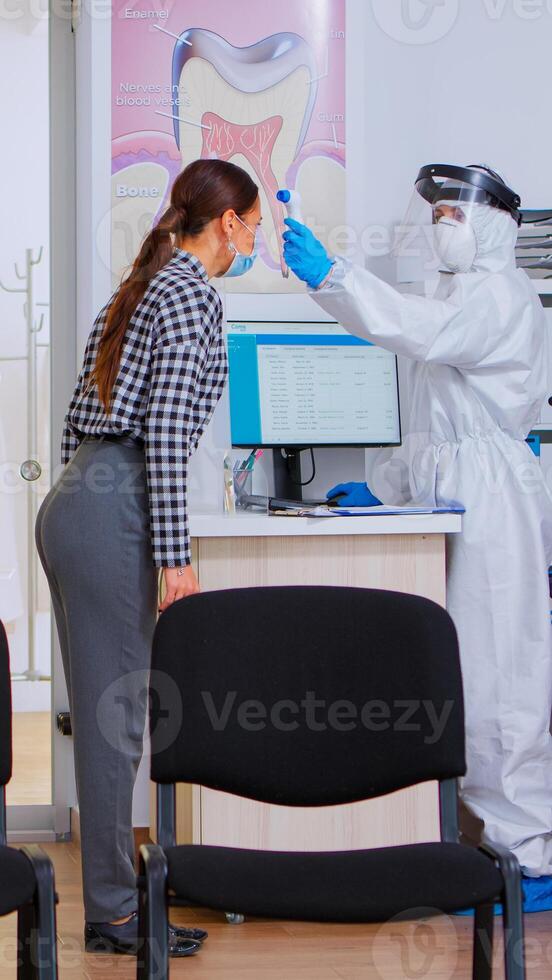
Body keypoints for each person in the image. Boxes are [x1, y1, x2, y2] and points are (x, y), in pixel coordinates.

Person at [283, 164, 552, 911]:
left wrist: (335, 275)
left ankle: (529, 863)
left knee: (501, 678)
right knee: (463, 671)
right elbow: (438, 430)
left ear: (494, 224)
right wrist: (390, 485)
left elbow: (418, 335)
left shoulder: (499, 295)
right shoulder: (458, 297)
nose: (440, 227)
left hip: (494, 503)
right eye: (432, 213)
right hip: (462, 490)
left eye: (453, 215)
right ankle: (490, 852)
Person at [35, 159, 261, 954]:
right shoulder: (192, 290)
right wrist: (175, 556)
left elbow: (75, 416)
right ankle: (114, 912)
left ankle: (115, 902)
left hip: (76, 501)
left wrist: (86, 495)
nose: (253, 241)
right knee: (116, 719)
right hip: (117, 506)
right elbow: (164, 434)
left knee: (112, 712)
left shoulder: (142, 283)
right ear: (226, 223)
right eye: (253, 225)